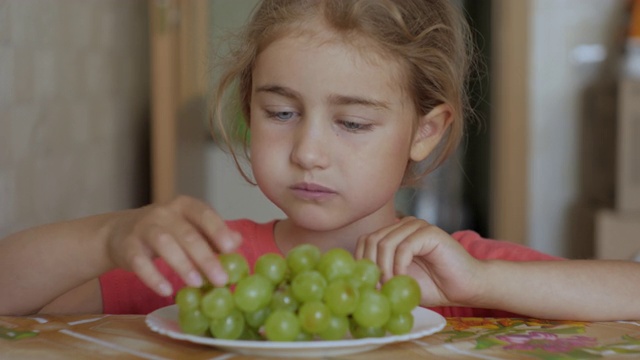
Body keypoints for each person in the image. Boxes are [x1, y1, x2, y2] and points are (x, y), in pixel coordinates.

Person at [1, 0, 639, 321]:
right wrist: (108, 237)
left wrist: (481, 282)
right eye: (280, 112)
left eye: (353, 122)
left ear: (426, 131)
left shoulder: (456, 273)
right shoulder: (210, 265)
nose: (307, 151)